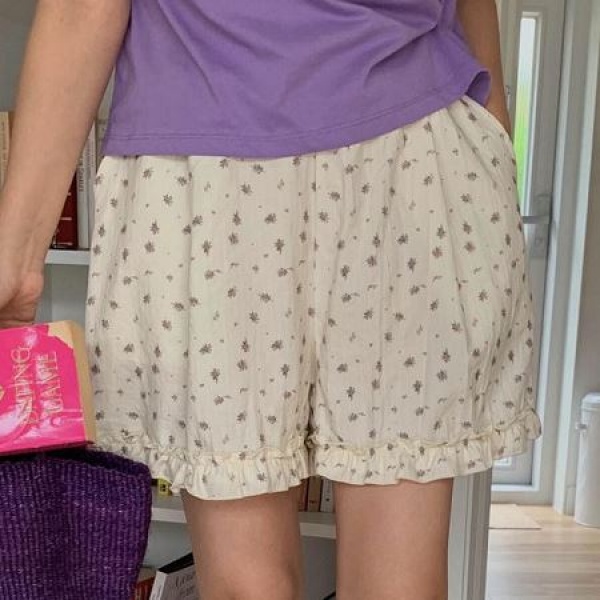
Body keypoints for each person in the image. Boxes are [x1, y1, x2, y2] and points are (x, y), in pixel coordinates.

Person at [0, 1, 542, 598]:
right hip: (389, 162)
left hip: (224, 172)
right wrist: (494, 130)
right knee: (388, 585)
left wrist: (17, 267)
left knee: (262, 586)